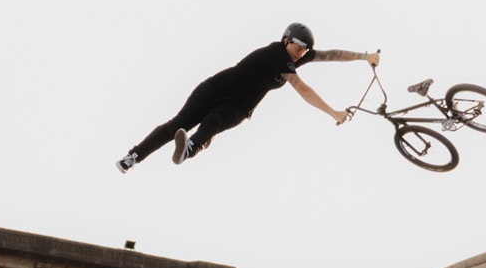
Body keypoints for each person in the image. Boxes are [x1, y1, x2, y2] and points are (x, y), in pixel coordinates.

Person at [116, 22, 379, 174]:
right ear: (286, 40)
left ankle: (189, 148)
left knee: (215, 121)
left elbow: (332, 54)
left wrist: (365, 56)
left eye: (305, 50)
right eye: (297, 47)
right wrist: (333, 112)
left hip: (239, 106)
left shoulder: (302, 54)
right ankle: (133, 157)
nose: (300, 54)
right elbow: (303, 89)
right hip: (214, 88)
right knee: (178, 123)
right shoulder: (277, 55)